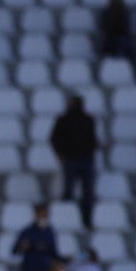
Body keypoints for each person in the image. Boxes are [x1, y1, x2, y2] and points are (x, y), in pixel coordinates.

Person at [49, 95, 97, 228]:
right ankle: (66, 220)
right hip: (71, 160)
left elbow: (93, 138)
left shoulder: (88, 120)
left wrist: (91, 152)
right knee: (68, 191)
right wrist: (60, 154)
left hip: (86, 159)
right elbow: (54, 138)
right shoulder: (63, 120)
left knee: (87, 193)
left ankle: (86, 221)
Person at [11, 203, 65, 271]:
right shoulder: (27, 232)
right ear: (36, 215)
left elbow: (54, 253)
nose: (43, 217)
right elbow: (14, 251)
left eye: (45, 215)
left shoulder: (50, 232)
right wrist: (22, 247)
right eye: (41, 214)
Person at [100, 0, 136, 66]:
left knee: (129, 48)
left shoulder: (124, 11)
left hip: (122, 36)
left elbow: (127, 25)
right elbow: (103, 25)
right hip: (110, 37)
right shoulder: (106, 11)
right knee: (106, 48)